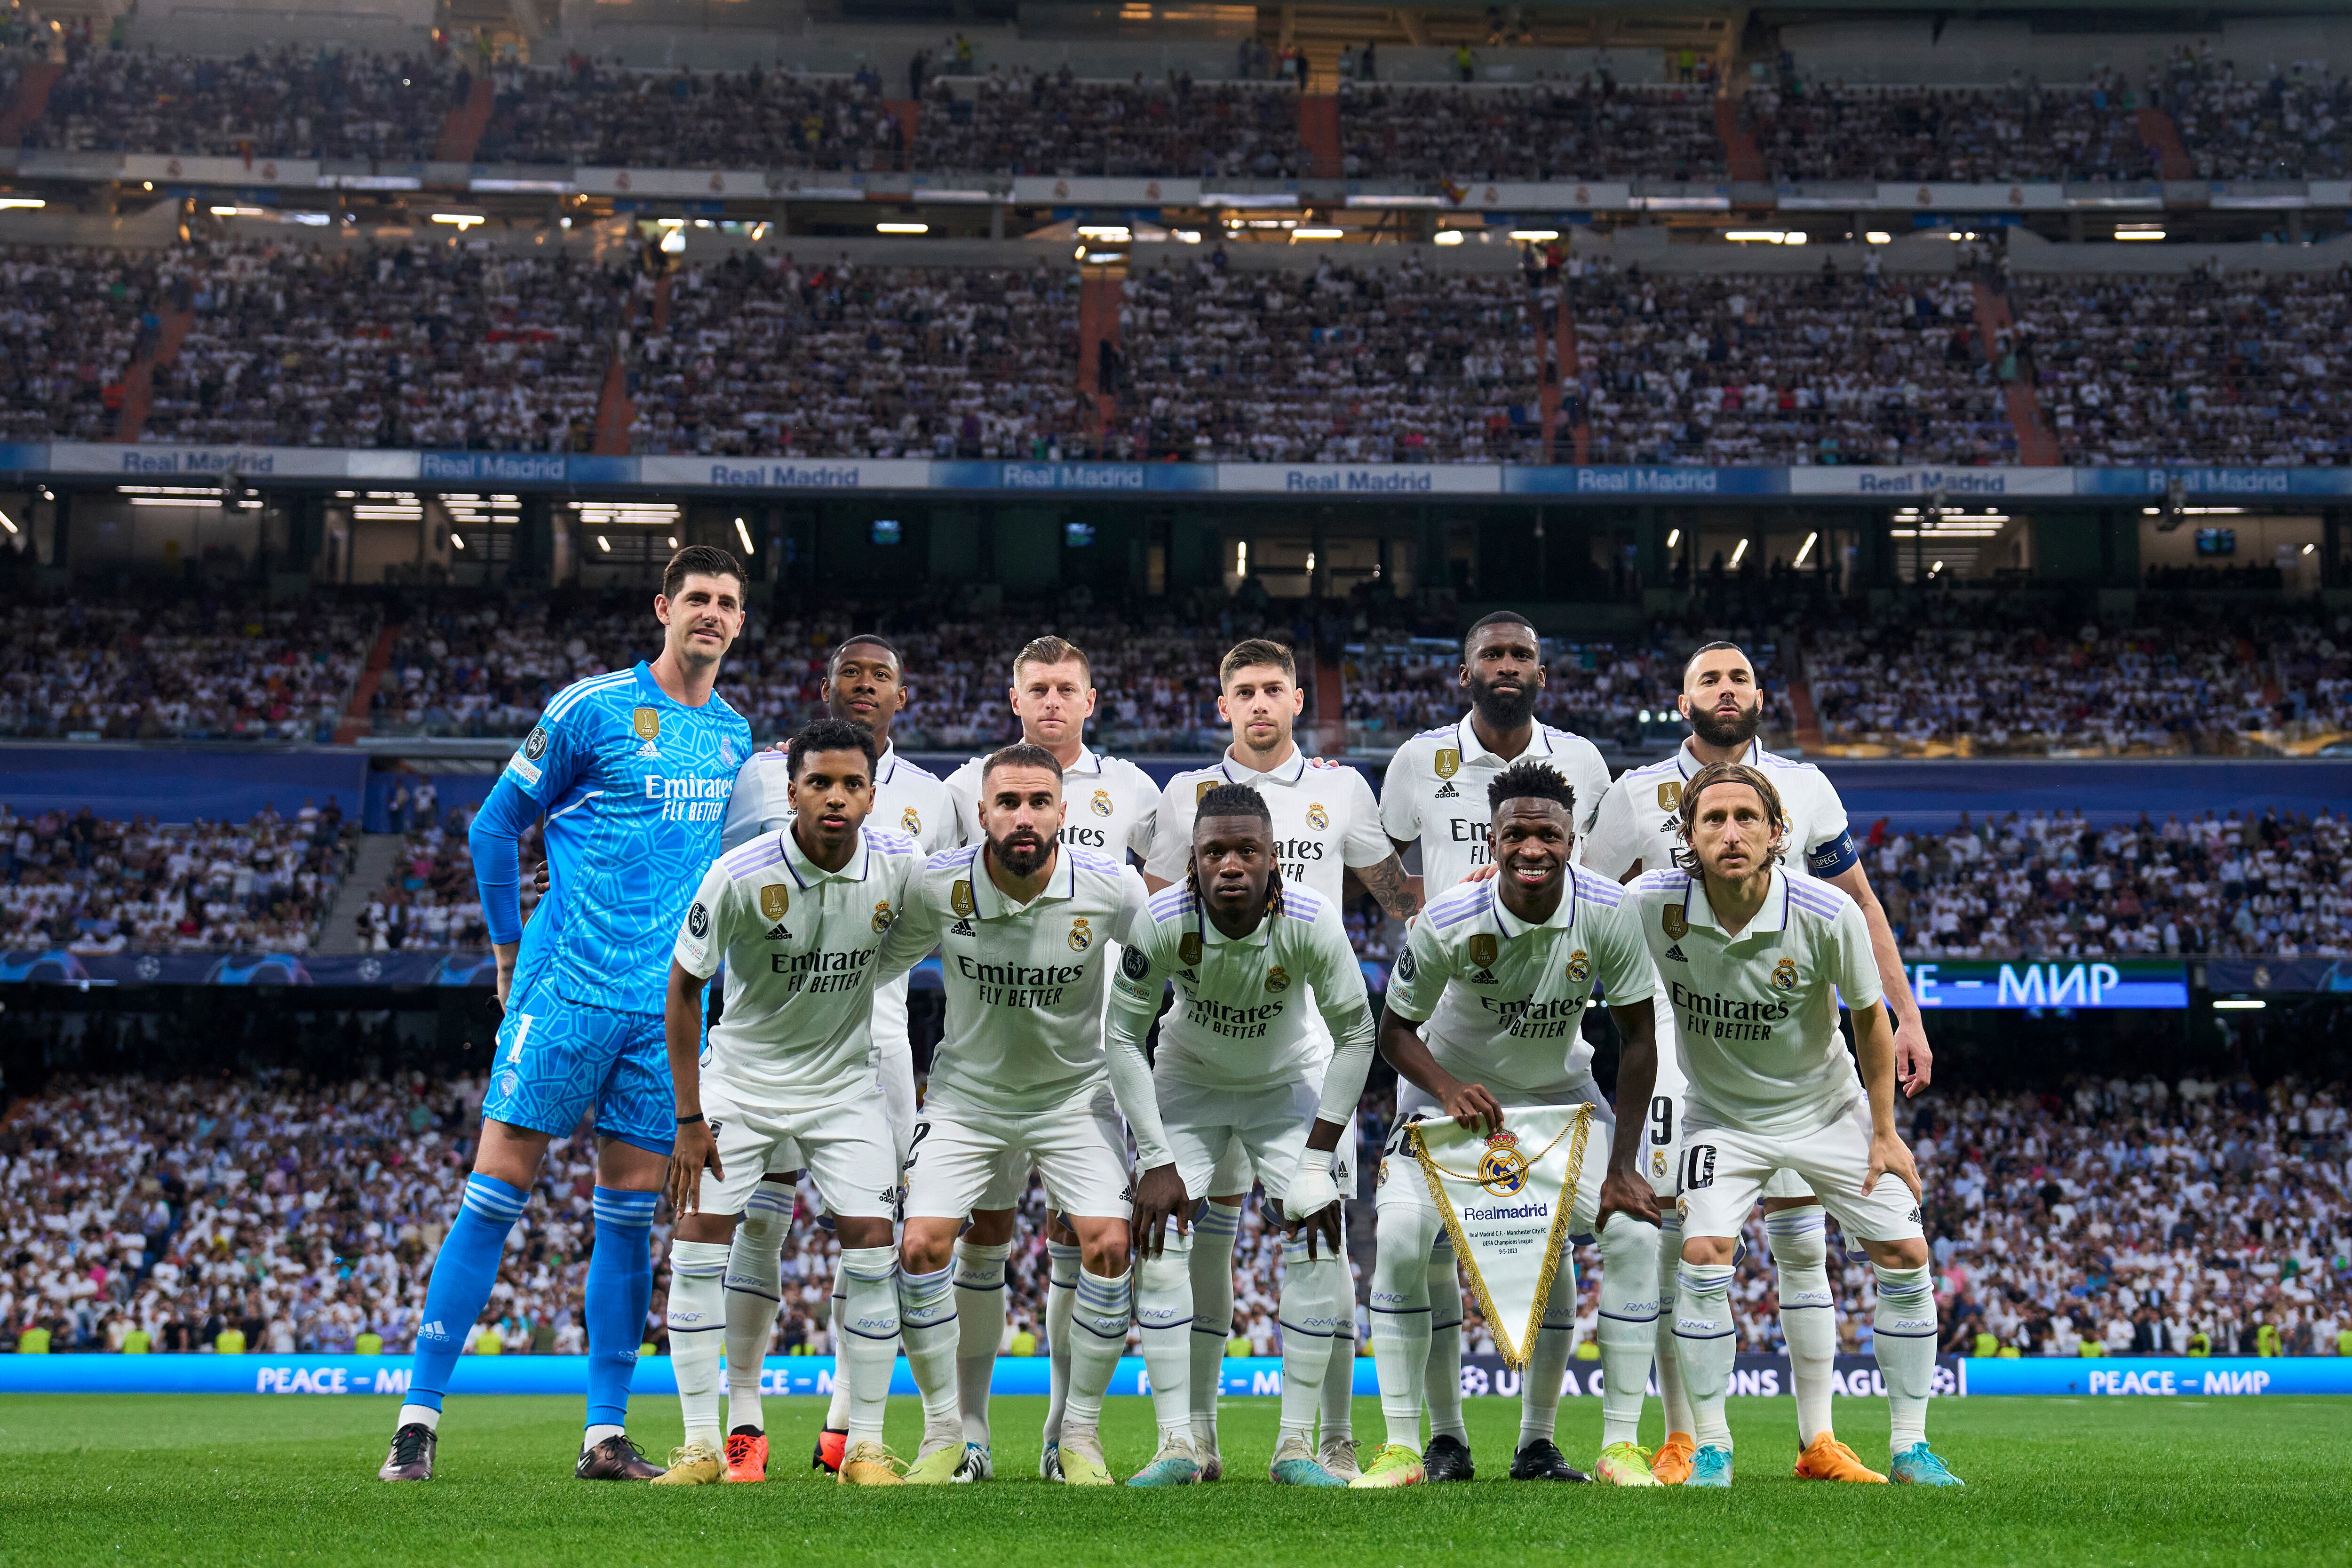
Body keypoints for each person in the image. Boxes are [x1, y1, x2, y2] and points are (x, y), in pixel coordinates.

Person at [377, 545, 753, 1483]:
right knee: (495, 1191)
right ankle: (417, 1417)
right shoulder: (589, 707)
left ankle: (603, 1434)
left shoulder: (736, 738)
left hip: (663, 1010)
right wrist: (508, 948)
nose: (710, 613)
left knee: (628, 1218)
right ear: (663, 606)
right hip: (567, 987)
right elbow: (492, 824)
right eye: (696, 598)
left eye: (727, 602)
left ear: (740, 622)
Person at [1583, 640, 1933, 1484]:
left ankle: (1824, 1437)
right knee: (1682, 1241)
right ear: (1682, 701)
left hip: (1800, 1052)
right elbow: (1584, 899)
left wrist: (1907, 1008)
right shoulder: (1635, 796)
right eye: (1710, 677)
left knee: (1803, 1237)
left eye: (1740, 675)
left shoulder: (1807, 787)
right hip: (1679, 1045)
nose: (1727, 689)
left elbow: (1858, 904)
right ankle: (1687, 1435)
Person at [1145, 638, 1422, 1482]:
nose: (1260, 702)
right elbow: (1155, 908)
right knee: (1200, 1243)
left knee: (1321, 1240)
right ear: (1221, 702)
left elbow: (1401, 900)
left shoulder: (1341, 789)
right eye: (1244, 690)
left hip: (1303, 1053)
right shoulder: (1182, 795)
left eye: (1274, 688)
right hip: (1200, 1050)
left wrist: (1464, 910)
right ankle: (1192, 1440)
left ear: (1299, 699)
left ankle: (1326, 1434)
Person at [1360, 761, 1666, 1489]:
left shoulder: (1609, 910)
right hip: (1445, 1103)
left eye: (1549, 834)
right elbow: (1394, 1031)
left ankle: (1594, 1445)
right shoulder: (1448, 918)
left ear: (1573, 840)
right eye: (1517, 834)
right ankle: (1423, 1443)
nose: (1533, 847)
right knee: (1405, 1240)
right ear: (1491, 840)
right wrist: (1445, 1086)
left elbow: (1641, 1039)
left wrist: (1623, 1168)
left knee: (1632, 1230)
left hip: (1562, 1100)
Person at [875, 742, 1160, 1486]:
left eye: (1039, 802)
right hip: (968, 1100)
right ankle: (949, 1435)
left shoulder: (1110, 886)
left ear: (1065, 811)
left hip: (1074, 1098)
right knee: (922, 1247)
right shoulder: (941, 884)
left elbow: (1176, 956)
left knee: (1106, 1245)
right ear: (982, 813)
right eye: (1008, 803)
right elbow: (876, 960)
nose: (1024, 816)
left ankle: (1079, 1438)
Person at [655, 718, 927, 1487]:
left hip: (844, 1089)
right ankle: (702, 1446)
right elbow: (683, 987)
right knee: (698, 1246)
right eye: (819, 783)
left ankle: (866, 1448)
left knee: (876, 1249)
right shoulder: (740, 874)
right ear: (791, 790)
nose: (835, 797)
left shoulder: (900, 866)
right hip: (741, 1084)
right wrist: (688, 1116)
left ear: (874, 795)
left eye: (851, 784)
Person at [1377, 609, 1612, 1478]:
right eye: (1492, 655)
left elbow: (1606, 865)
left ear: (1542, 673)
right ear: (1464, 673)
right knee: (1425, 1243)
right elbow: (1378, 857)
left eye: (1521, 655)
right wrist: (1432, 921)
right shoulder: (1419, 761)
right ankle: (1442, 1436)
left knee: (1558, 1242)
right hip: (1449, 1035)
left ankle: (1540, 1439)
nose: (1506, 666)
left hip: (1553, 1042)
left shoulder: (1582, 762)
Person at [720, 633, 959, 1480]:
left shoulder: (935, 796)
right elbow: (707, 877)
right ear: (824, 690)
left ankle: (848, 1425)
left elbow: (959, 905)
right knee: (758, 1219)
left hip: (877, 1036)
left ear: (905, 696)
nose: (864, 685)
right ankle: (742, 1423)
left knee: (876, 1233)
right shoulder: (758, 773)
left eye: (880, 675)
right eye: (849, 674)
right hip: (766, 1038)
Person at [1111, 783, 1377, 1488]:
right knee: (1161, 1236)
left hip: (1286, 1083)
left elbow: (1357, 1032)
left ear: (1273, 861)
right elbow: (1121, 1032)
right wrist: (1157, 1158)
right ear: (1193, 861)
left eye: (1246, 850)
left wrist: (1318, 1156)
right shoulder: (1163, 918)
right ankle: (1180, 1444)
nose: (1230, 864)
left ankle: (1296, 1447)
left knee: (1320, 1233)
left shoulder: (1312, 921)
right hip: (1190, 1081)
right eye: (1214, 852)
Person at [941, 636, 1158, 1480]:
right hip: (990, 1045)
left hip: (1093, 1053)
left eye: (1069, 687)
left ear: (1091, 699)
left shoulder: (1134, 789)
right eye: (1040, 688)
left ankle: (1070, 1434)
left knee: (1085, 1236)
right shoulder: (968, 785)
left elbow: (1166, 903)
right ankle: (969, 1433)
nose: (1054, 701)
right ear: (1014, 697)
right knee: (984, 1233)